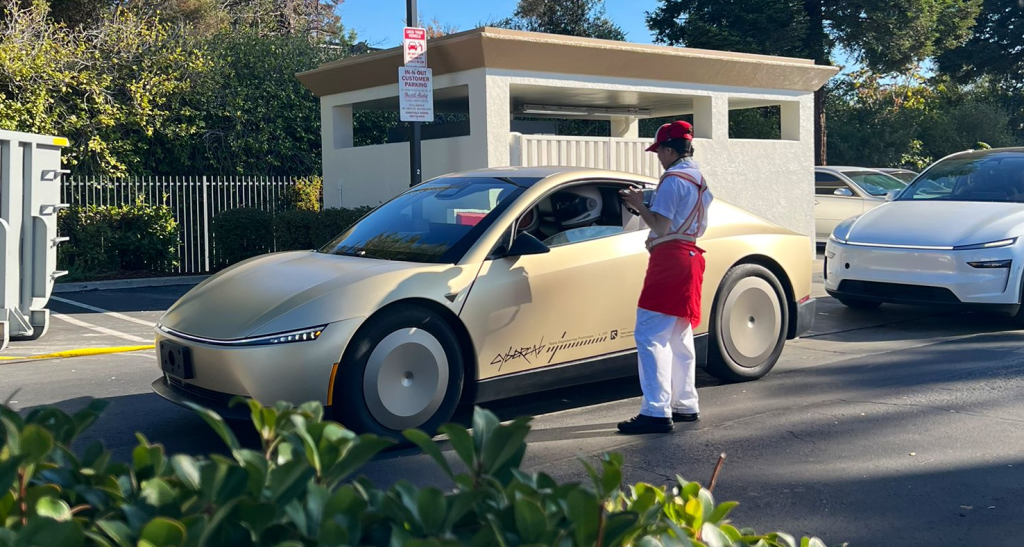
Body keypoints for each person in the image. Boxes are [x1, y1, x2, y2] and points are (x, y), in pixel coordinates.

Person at [617, 120, 713, 434]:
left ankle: (656, 410)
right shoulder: (700, 180)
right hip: (690, 257)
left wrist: (636, 205)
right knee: (679, 336)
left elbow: (660, 226)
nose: (658, 157)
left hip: (670, 261)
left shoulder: (672, 180)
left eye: (660, 151)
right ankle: (685, 403)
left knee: (650, 335)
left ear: (670, 150)